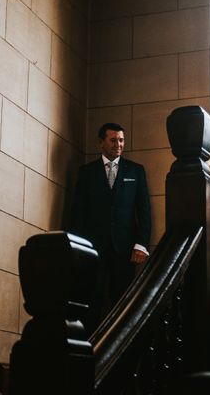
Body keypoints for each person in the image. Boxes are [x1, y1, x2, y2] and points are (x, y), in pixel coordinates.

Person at [70, 122, 152, 333]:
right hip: (93, 249)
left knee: (122, 303)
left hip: (125, 250)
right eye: (113, 140)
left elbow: (144, 210)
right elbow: (78, 213)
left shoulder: (136, 170)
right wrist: (77, 249)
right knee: (91, 300)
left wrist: (141, 245)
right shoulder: (87, 172)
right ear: (101, 143)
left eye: (121, 140)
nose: (118, 144)